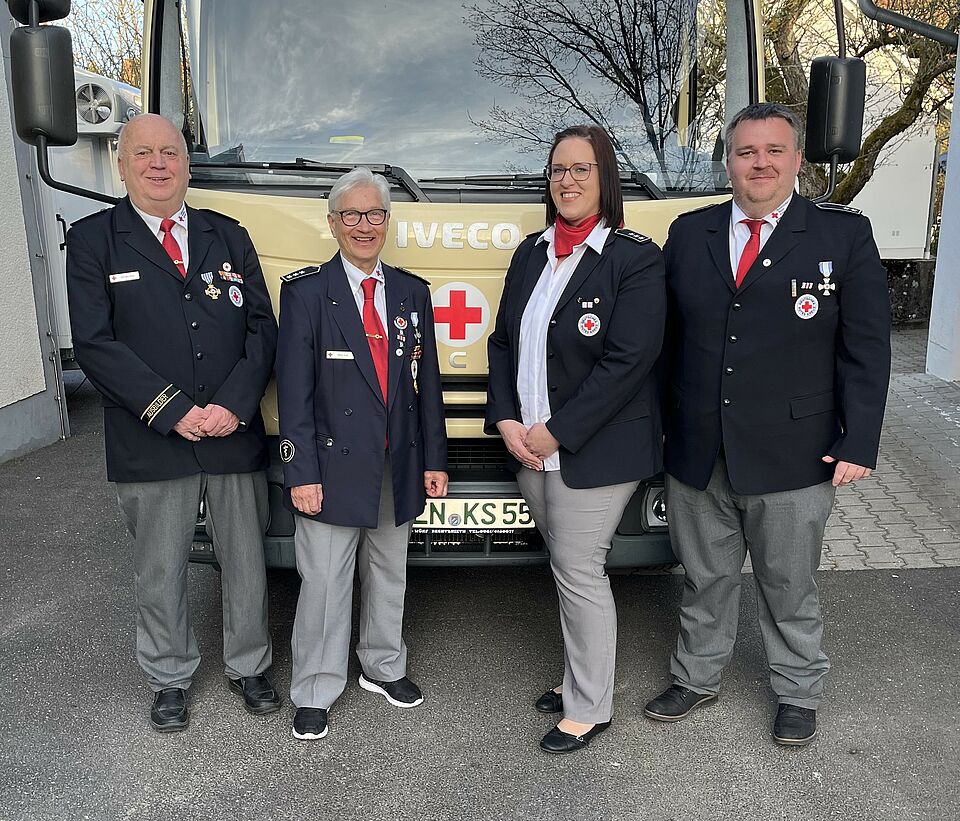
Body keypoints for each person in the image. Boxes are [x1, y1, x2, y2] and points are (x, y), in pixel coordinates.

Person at [645, 102, 891, 745]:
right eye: (746, 152)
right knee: (704, 578)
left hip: (795, 449)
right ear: (727, 162)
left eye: (774, 151)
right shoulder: (689, 233)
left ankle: (798, 690)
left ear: (797, 160)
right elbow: (666, 343)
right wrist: (661, 430)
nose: (760, 163)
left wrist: (858, 440)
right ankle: (696, 678)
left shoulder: (843, 236)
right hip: (699, 449)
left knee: (788, 582)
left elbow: (866, 351)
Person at [66, 114, 280, 733]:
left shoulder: (228, 235)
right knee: (160, 567)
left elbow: (261, 330)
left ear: (187, 164)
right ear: (122, 164)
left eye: (171, 153)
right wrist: (173, 410)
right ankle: (168, 675)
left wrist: (234, 406)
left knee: (246, 558)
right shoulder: (93, 241)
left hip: (230, 430)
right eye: (144, 154)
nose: (159, 164)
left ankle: (250, 665)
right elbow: (95, 343)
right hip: (150, 434)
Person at [485, 125, 666, 754]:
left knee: (578, 569)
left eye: (581, 169)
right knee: (565, 567)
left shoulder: (634, 259)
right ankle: (575, 680)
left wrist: (556, 432)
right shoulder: (531, 253)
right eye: (558, 169)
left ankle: (590, 705)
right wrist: (507, 420)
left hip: (594, 449)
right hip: (528, 446)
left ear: (604, 178)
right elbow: (505, 341)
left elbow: (629, 361)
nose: (567, 180)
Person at [276, 167, 448, 741]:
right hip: (329, 465)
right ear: (332, 224)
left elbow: (426, 385)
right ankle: (316, 688)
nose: (364, 225)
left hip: (394, 463)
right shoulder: (305, 294)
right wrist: (299, 470)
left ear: (388, 222)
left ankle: (383, 666)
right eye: (352, 215)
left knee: (389, 573)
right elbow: (292, 393)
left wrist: (434, 459)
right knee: (324, 583)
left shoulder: (410, 292)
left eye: (375, 214)